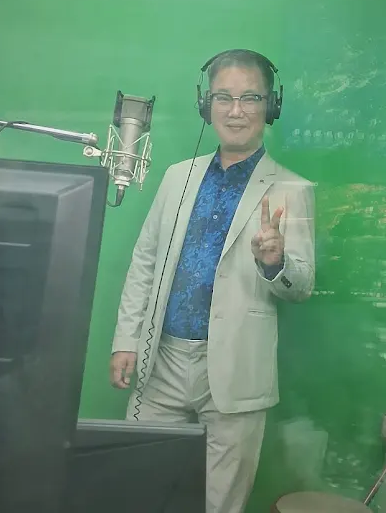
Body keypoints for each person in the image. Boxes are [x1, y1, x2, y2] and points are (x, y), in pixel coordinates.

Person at [109, 49, 315, 513]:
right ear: (207, 104)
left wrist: (275, 262)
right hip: (161, 359)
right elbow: (145, 262)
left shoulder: (292, 190)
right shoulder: (176, 178)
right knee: (140, 489)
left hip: (237, 370)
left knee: (220, 503)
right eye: (224, 97)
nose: (235, 110)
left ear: (271, 105)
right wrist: (126, 339)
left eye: (250, 98)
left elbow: (302, 286)